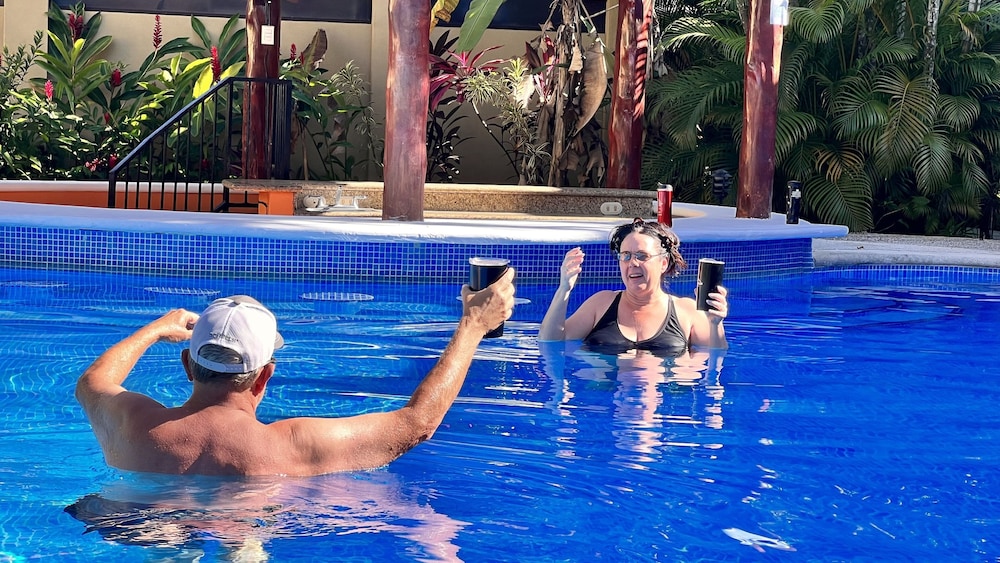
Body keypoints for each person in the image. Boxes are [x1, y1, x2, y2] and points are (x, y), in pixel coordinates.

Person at [75, 269, 516, 477]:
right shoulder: (291, 446)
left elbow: (92, 383)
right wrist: (473, 325)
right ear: (265, 376)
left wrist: (156, 329)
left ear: (188, 365)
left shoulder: (134, 424)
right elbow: (418, 423)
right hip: (256, 511)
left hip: (137, 519)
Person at [539, 218, 727, 354]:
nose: (632, 263)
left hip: (663, 392)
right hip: (604, 394)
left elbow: (715, 358)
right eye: (626, 256)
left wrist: (715, 324)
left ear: (663, 263)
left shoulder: (687, 310)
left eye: (642, 256)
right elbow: (550, 341)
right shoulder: (601, 303)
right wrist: (564, 289)